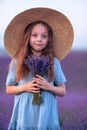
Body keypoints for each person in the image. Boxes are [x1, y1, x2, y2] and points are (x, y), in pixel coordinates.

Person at [4, 8, 74, 130]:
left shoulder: (53, 62)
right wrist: (24, 87)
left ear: (49, 39)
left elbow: (62, 91)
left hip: (46, 116)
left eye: (44, 36)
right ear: (28, 37)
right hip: (25, 116)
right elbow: (9, 89)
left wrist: (48, 87)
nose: (39, 39)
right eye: (34, 35)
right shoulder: (18, 61)